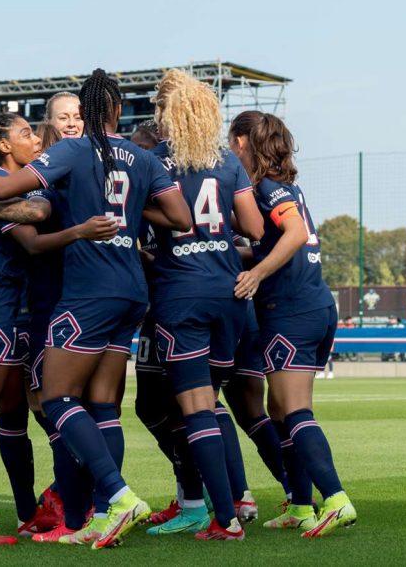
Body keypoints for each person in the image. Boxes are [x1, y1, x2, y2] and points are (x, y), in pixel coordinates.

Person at [0, 69, 192, 550]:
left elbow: (33, 217)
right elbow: (180, 218)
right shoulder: (142, 158)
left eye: (66, 118)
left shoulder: (62, 157)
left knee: (52, 401)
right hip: (119, 292)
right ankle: (57, 511)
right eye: (29, 130)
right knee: (85, 408)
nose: (41, 136)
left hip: (71, 295)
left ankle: (107, 500)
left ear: (86, 114)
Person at [143, 68, 265, 540]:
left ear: (167, 114)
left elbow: (135, 213)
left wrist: (156, 216)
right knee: (213, 405)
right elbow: (254, 230)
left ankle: (225, 518)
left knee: (195, 410)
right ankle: (237, 500)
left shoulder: (153, 160)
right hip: (230, 294)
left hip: (181, 294)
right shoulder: (227, 163)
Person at [229, 110, 356, 538]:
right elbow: (277, 243)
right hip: (310, 306)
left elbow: (296, 234)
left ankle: (335, 499)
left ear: (243, 143)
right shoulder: (285, 187)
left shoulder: (266, 188)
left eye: (232, 142)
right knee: (281, 411)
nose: (230, 150)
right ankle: (302, 505)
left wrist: (258, 274)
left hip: (292, 310)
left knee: (295, 409)